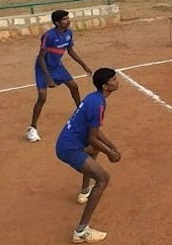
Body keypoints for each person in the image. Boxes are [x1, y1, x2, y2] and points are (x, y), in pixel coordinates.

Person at [55, 67, 121, 244]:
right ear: (106, 86)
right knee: (103, 179)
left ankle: (84, 191)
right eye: (114, 79)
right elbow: (92, 137)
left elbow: (95, 133)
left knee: (94, 149)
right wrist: (110, 154)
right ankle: (82, 231)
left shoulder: (95, 98)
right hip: (70, 148)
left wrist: (112, 146)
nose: (118, 81)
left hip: (67, 142)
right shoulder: (98, 103)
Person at [27, 9, 93, 143]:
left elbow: (71, 51)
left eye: (67, 18)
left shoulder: (69, 33)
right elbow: (40, 58)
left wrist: (84, 66)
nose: (68, 21)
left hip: (57, 67)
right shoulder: (49, 36)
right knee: (42, 97)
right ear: (57, 22)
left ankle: (80, 112)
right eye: (64, 19)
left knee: (74, 86)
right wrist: (48, 79)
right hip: (43, 68)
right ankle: (32, 128)